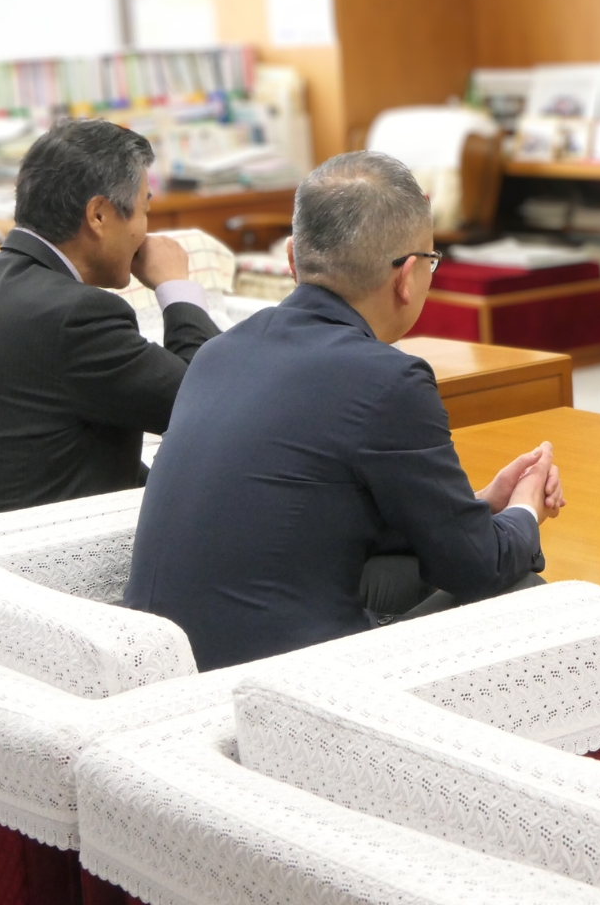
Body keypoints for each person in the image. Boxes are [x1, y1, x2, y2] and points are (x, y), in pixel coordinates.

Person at [124, 151, 561, 670]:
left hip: (165, 664)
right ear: (407, 276)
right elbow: (477, 569)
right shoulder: (388, 378)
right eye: (432, 261)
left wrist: (480, 506)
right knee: (519, 589)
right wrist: (525, 510)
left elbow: (317, 503)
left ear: (293, 259)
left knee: (413, 563)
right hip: (285, 683)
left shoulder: (218, 353)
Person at [0, 119, 219, 524]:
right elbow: (210, 401)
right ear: (99, 215)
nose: (146, 232)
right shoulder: (76, 315)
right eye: (144, 210)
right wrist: (176, 287)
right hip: (24, 551)